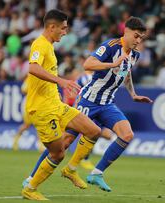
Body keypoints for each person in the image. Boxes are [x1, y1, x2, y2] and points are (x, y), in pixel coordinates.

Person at [62, 16, 152, 192]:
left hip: (107, 103)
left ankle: (96, 173)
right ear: (126, 32)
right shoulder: (110, 46)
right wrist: (112, 63)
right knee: (65, 142)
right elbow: (88, 64)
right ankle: (32, 179)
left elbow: (125, 74)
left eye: (142, 38)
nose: (139, 40)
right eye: (136, 36)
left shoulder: (135, 55)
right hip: (88, 99)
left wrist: (133, 94)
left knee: (127, 135)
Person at [20, 9, 102, 201]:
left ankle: (71, 170)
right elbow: (32, 68)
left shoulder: (49, 46)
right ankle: (30, 188)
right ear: (52, 27)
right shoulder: (39, 44)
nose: (65, 32)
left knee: (93, 130)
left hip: (56, 105)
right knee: (57, 153)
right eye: (63, 28)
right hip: (42, 109)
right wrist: (61, 81)